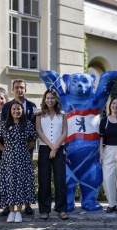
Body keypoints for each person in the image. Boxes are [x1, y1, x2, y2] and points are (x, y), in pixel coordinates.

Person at [0, 100, 38, 223]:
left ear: (22, 111)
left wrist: (24, 148)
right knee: (10, 184)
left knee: (21, 184)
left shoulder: (27, 124)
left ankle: (18, 211)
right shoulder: (4, 125)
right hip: (8, 159)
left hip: (23, 158)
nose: (16, 111)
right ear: (10, 111)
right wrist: (4, 149)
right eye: (14, 109)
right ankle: (11, 211)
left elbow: (34, 139)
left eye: (18, 109)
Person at [1, 79, 37, 216]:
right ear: (12, 89)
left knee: (25, 175)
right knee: (10, 176)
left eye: (22, 87)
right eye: (16, 87)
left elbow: (33, 128)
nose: (19, 90)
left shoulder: (32, 106)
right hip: (10, 147)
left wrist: (26, 146)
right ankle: (8, 205)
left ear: (25, 89)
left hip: (27, 145)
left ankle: (26, 204)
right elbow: (5, 126)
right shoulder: (7, 106)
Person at [36, 89, 69, 220]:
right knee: (44, 180)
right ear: (44, 99)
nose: (50, 100)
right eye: (48, 98)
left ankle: (61, 209)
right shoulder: (39, 114)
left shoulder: (62, 114)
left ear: (56, 100)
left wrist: (55, 148)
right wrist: (51, 146)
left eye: (52, 98)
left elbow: (65, 132)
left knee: (60, 180)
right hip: (45, 149)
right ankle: (44, 209)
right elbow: (38, 131)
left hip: (59, 149)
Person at [99, 98, 117, 214]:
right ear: (110, 105)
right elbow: (101, 138)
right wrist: (101, 153)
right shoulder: (104, 120)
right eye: (114, 103)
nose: (115, 106)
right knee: (107, 178)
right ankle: (111, 204)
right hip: (107, 150)